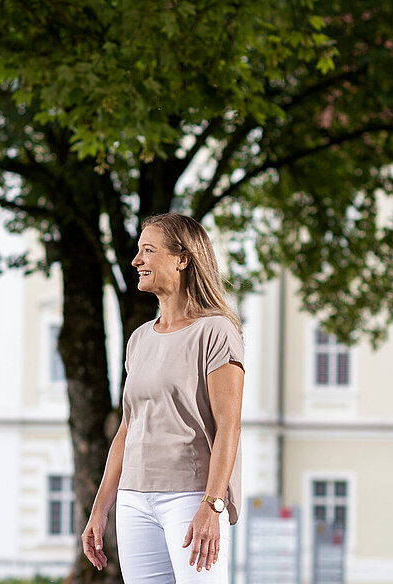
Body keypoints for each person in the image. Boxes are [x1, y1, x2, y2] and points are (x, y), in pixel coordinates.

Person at [81, 213, 246, 583]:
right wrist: (100, 508)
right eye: (138, 251)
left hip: (190, 498)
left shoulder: (215, 331)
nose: (136, 261)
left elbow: (228, 426)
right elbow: (127, 428)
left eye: (148, 251)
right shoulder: (139, 339)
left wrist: (212, 505)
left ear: (182, 259)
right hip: (134, 500)